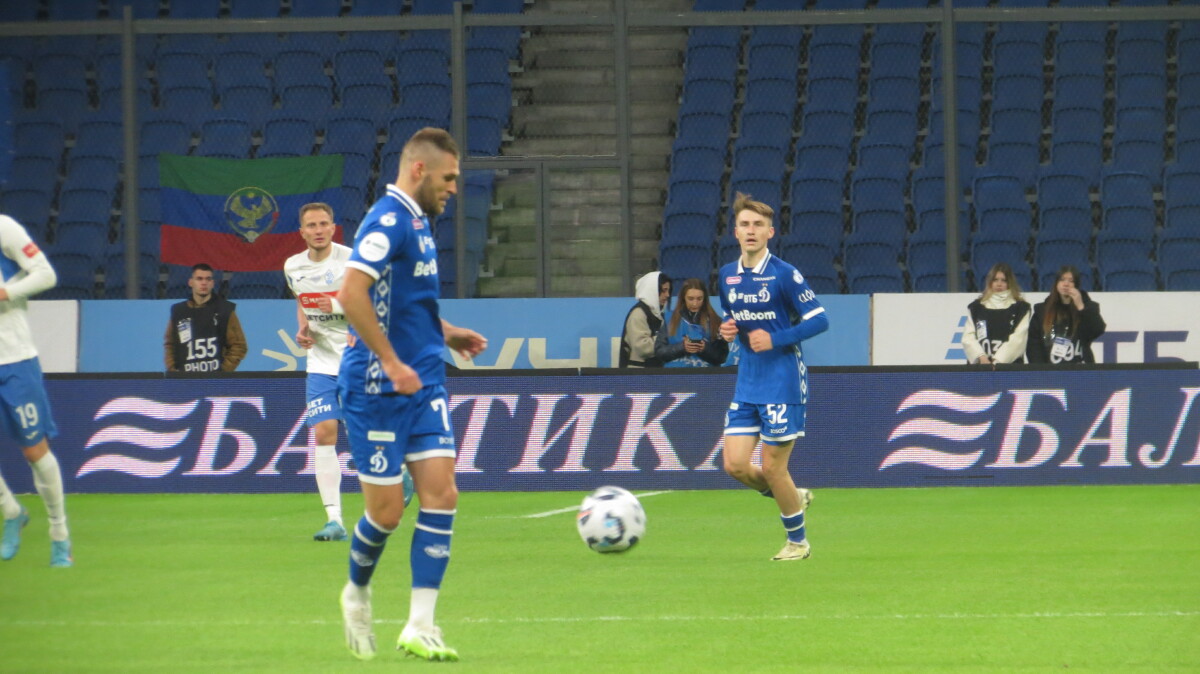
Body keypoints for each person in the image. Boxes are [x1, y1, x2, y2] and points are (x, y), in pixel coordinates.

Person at [336, 128, 486, 662]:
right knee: (385, 514)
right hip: (377, 388)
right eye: (449, 178)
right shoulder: (388, 221)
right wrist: (390, 361)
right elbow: (350, 293)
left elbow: (405, 305)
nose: (454, 188)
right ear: (420, 170)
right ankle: (356, 592)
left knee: (442, 495)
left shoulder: (420, 222)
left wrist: (447, 333)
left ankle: (420, 625)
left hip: (425, 384)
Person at [717, 193, 829, 562]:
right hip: (748, 381)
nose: (751, 230)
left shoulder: (784, 274)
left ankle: (798, 543)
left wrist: (776, 338)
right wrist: (728, 328)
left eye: (758, 225)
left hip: (782, 380)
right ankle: (792, 496)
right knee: (734, 465)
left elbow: (820, 319)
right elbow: (732, 315)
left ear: (770, 232)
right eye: (745, 224)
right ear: (735, 232)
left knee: (772, 467)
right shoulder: (727, 275)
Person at [0, 214, 73, 567]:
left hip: (15, 360)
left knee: (35, 451)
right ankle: (12, 512)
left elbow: (46, 274)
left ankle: (59, 533)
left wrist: (5, 292)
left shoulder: (4, 228)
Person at [284, 202, 355, 542]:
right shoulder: (292, 265)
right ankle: (334, 520)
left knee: (367, 433)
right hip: (322, 361)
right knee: (324, 433)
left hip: (358, 357)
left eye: (324, 223)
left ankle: (401, 468)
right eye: (311, 225)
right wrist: (304, 329)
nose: (318, 230)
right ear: (302, 232)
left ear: (333, 227)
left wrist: (338, 305)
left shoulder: (351, 260)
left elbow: (375, 303)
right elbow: (302, 302)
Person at [163, 263, 248, 373]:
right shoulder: (179, 311)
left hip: (215, 379)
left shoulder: (225, 310)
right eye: (199, 279)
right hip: (185, 379)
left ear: (212, 283)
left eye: (208, 279)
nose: (204, 283)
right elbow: (170, 343)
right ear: (190, 282)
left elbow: (239, 345)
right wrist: (173, 371)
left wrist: (223, 372)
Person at [1027, 265, 1107, 364]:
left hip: (1081, 367)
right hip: (1050, 369)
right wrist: (1041, 370)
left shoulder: (1088, 307)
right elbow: (1034, 344)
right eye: (1062, 280)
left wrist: (1080, 306)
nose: (1066, 284)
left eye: (1071, 281)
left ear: (1076, 285)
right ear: (1056, 284)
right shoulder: (1042, 310)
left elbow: (1097, 330)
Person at [962, 262, 1032, 366]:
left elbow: (1018, 340)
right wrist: (981, 357)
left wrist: (997, 361)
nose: (999, 284)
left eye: (1003, 280)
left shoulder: (1021, 308)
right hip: (980, 367)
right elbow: (968, 337)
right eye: (995, 280)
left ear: (1010, 283)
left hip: (1009, 368)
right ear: (990, 282)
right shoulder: (976, 307)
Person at [654, 277, 728, 367]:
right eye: (690, 299)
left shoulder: (715, 320)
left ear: (705, 299)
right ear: (683, 298)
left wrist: (705, 348)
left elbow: (722, 356)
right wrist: (682, 347)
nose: (695, 303)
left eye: (699, 299)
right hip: (675, 373)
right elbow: (659, 351)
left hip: (706, 373)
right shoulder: (669, 318)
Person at [618, 271, 671, 367]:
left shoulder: (658, 314)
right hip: (638, 372)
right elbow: (642, 348)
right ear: (652, 290)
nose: (667, 295)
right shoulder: (638, 314)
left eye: (668, 291)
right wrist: (668, 338)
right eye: (663, 290)